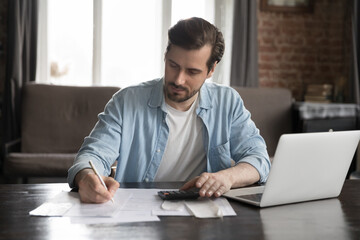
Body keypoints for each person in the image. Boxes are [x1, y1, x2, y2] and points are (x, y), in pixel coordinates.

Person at [67, 17, 271, 203]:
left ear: (211, 70)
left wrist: (227, 177)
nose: (178, 79)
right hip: (138, 211)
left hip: (205, 211)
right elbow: (92, 155)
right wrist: (87, 178)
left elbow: (259, 159)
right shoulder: (126, 101)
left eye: (192, 72)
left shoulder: (228, 102)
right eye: (173, 65)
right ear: (165, 56)